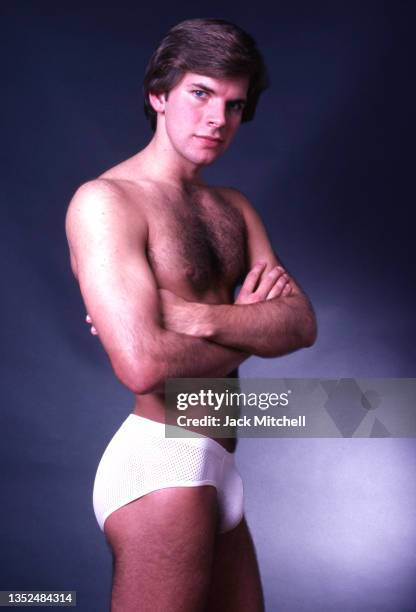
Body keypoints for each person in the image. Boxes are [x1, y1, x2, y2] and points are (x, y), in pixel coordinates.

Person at [65, 18, 316, 612]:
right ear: (159, 94)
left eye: (234, 104)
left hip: (220, 462)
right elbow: (144, 367)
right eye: (200, 93)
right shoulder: (106, 202)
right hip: (163, 458)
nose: (216, 120)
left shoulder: (233, 208)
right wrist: (251, 325)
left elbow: (301, 324)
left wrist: (194, 317)